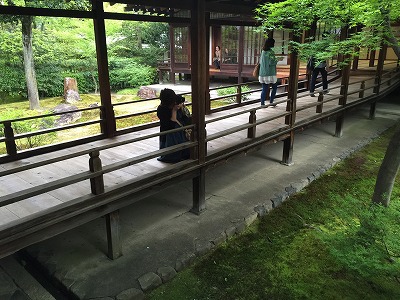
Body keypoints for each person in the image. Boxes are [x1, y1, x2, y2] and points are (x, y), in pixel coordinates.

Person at [156, 88, 191, 163]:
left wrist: (181, 107)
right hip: (169, 136)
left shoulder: (175, 101)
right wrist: (174, 111)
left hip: (181, 132)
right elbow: (170, 126)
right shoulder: (162, 110)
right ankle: (173, 155)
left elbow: (187, 118)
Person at [258, 38, 282, 107]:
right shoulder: (271, 52)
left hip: (262, 73)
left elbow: (261, 62)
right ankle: (271, 102)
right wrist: (278, 59)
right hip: (270, 73)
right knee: (274, 87)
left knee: (264, 89)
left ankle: (262, 103)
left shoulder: (263, 51)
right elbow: (271, 62)